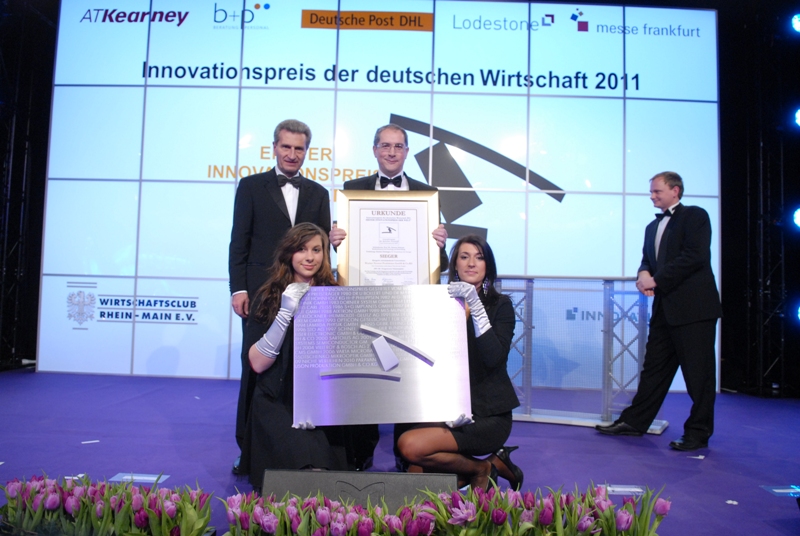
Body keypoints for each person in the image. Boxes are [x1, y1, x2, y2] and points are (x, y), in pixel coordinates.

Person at [328, 123, 448, 472]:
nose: (392, 152)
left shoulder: (428, 194)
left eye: (398, 146)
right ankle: (361, 451)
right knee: (366, 378)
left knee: (406, 377)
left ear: (407, 151)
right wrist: (336, 242)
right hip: (364, 300)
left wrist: (441, 244)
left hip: (411, 303)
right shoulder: (353, 190)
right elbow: (346, 250)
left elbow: (436, 259)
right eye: (385, 145)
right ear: (374, 150)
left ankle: (405, 451)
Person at [229, 119, 332, 473]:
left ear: (307, 152)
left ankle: (301, 442)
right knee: (254, 369)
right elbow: (239, 241)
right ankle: (247, 448)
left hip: (307, 296)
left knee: (300, 369)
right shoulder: (250, 186)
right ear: (274, 147)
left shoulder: (319, 193)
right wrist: (239, 288)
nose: (291, 154)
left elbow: (321, 249)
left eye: (298, 148)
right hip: (262, 294)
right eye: (286, 146)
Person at [595, 172, 722, 451]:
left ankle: (698, 433)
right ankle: (634, 422)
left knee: (698, 375)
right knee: (654, 369)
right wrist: (643, 273)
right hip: (665, 309)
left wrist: (656, 280)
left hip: (694, 310)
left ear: (675, 190)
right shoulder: (652, 227)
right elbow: (647, 260)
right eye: (651, 192)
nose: (652, 196)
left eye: (657, 191)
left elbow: (695, 256)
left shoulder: (695, 216)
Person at [394, 235, 524, 490]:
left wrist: (475, 305)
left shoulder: (501, 306)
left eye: (479, 257)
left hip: (487, 414)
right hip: (447, 408)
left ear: (488, 266)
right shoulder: (439, 303)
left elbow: (493, 359)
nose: (471, 263)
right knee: (415, 473)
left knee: (411, 446)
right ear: (455, 264)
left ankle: (481, 469)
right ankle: (490, 465)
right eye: (464, 257)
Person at [239, 223, 348, 487]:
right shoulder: (268, 295)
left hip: (322, 401)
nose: (309, 257)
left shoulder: (334, 295)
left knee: (323, 476)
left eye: (316, 250)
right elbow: (257, 363)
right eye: (301, 249)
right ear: (289, 253)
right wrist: (285, 312)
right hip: (276, 399)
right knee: (299, 474)